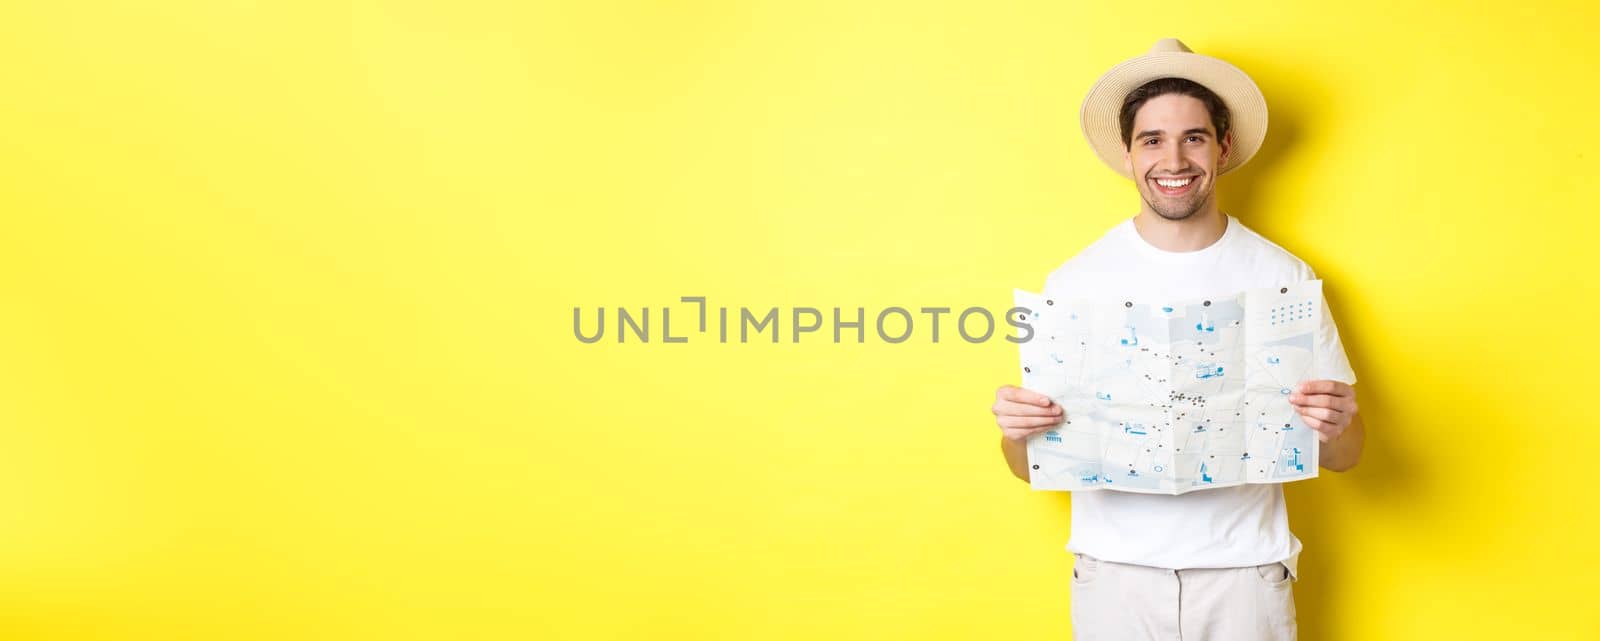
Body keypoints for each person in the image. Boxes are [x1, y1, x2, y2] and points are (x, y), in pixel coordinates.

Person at [990, 39, 1366, 641]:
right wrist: (1017, 433)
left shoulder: (1282, 278)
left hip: (1244, 574)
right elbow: (1026, 467)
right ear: (1128, 154)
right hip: (1114, 579)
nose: (1174, 159)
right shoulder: (1075, 282)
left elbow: (1347, 456)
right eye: (1152, 140)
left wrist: (1338, 421)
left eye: (1193, 137)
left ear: (1223, 147)